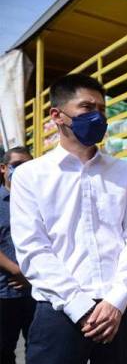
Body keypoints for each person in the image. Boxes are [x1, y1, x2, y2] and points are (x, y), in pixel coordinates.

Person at [10, 73, 127, 364]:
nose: (97, 116)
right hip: (60, 311)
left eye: (101, 110)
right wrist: (79, 306)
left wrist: (115, 301)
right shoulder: (30, 175)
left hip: (117, 313)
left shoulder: (124, 172)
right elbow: (33, 249)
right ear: (57, 115)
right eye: (87, 108)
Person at [0, 146, 35, 364]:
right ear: (3, 168)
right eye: (18, 165)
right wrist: (19, 271)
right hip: (5, 293)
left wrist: (31, 276)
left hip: (37, 292)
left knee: (39, 349)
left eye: (28, 165)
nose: (24, 170)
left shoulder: (37, 201)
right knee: (3, 351)